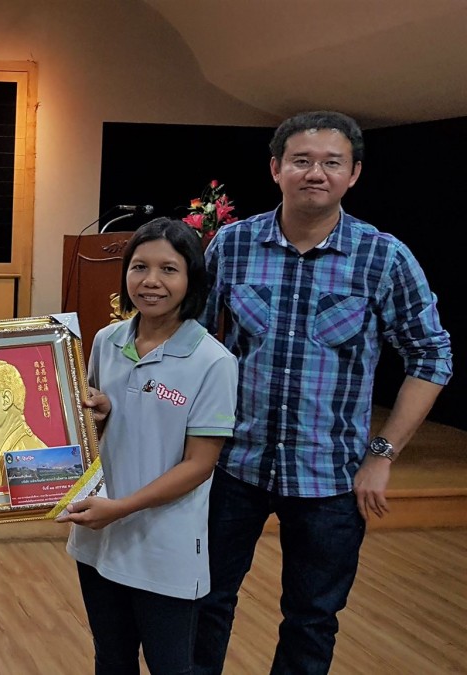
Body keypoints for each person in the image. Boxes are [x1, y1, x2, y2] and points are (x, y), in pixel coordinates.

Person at [194, 111, 453, 674]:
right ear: (276, 169)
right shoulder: (232, 246)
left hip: (331, 477)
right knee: (204, 602)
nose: (316, 173)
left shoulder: (384, 257)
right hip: (233, 466)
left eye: (332, 162)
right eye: (302, 160)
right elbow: (192, 343)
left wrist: (382, 455)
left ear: (353, 174)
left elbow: (432, 356)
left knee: (312, 620)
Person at [57, 217, 238, 674]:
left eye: (168, 269)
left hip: (164, 546)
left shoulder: (213, 361)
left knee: (170, 665)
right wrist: (96, 414)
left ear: (192, 278)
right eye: (139, 267)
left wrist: (120, 508)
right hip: (98, 538)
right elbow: (91, 433)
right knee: (111, 658)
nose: (150, 281)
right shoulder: (107, 341)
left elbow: (199, 464)